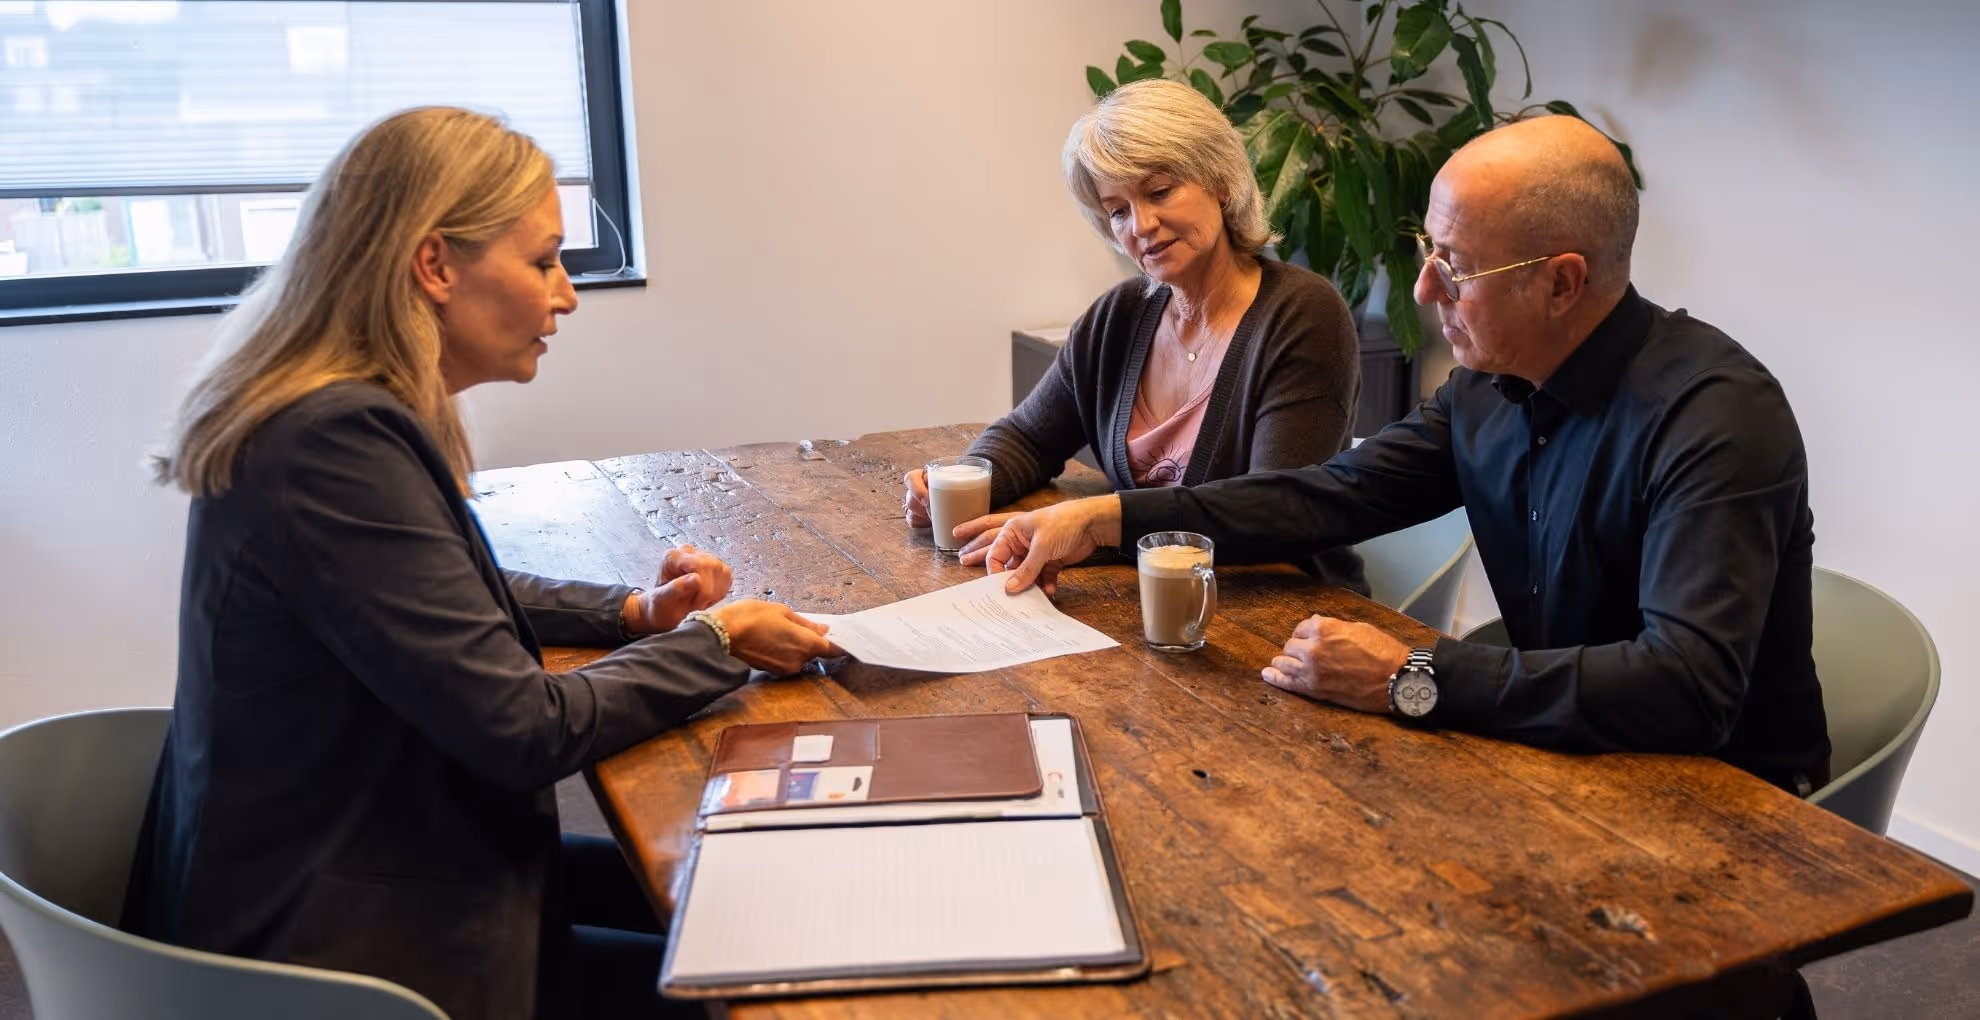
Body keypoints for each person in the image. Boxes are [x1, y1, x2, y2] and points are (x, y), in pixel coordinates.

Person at [125, 107, 839, 1020]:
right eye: (543, 260)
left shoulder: (323, 417)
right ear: (434, 265)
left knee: (735, 901)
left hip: (360, 859)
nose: (567, 293)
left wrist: (633, 614)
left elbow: (448, 595)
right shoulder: (332, 443)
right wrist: (715, 640)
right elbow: (523, 732)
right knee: (751, 955)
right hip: (337, 949)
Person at [977, 115, 1830, 796]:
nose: (1423, 291)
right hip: (1561, 754)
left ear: (1562, 283)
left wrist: (1412, 675)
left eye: (1454, 266)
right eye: (1429, 252)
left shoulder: (1715, 418)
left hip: (1719, 795)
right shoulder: (1487, 390)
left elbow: (1686, 690)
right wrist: (1110, 518)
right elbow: (1322, 498)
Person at [901, 78, 1365, 590]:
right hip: (1147, 604)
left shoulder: (1303, 314)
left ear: (1222, 182)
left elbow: (1273, 514)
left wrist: (1096, 526)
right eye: (1117, 210)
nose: (1139, 224)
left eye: (1159, 191)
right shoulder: (1117, 318)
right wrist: (964, 480)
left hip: (1285, 613)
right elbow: (1030, 437)